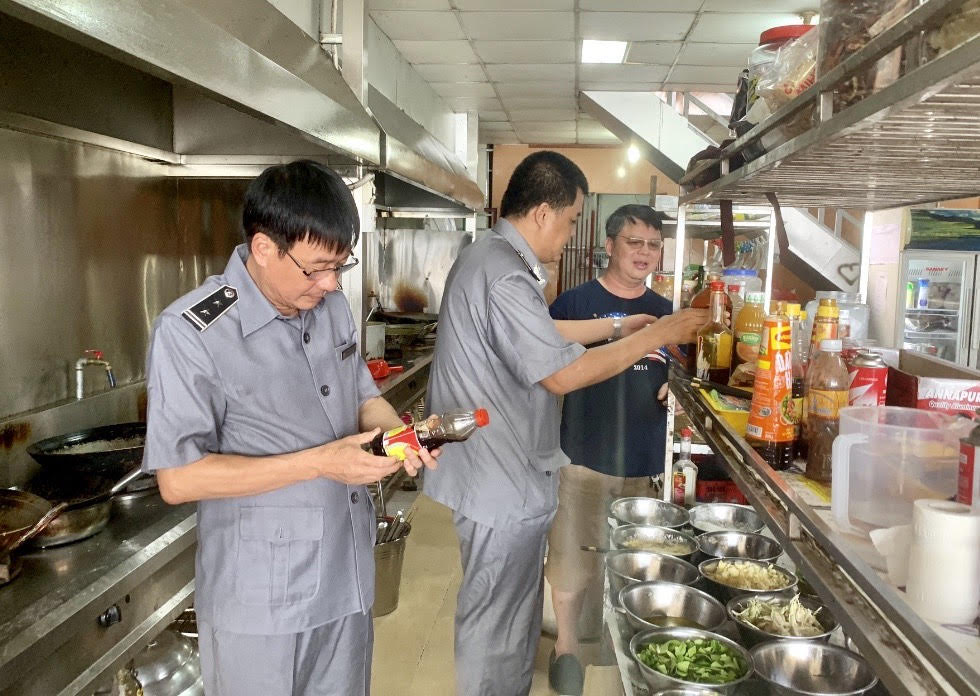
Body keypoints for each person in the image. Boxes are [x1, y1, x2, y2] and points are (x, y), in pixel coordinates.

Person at [141, 160, 437, 696]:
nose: (330, 284)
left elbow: (361, 395)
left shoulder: (329, 308)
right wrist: (321, 462)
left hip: (345, 576)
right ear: (263, 248)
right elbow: (179, 479)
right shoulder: (192, 332)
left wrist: (400, 435)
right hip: (261, 601)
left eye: (340, 267)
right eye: (316, 269)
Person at [423, 151, 707, 696]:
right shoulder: (505, 274)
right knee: (496, 623)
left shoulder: (490, 259)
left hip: (500, 473)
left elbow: (544, 335)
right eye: (574, 219)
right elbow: (561, 375)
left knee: (509, 616)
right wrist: (655, 334)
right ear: (544, 213)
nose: (571, 232)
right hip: (498, 477)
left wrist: (623, 326)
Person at [544, 204, 681, 695]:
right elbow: (544, 371)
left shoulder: (667, 313)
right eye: (633, 242)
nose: (644, 252)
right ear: (609, 246)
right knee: (571, 558)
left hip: (646, 460)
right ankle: (566, 648)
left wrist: (677, 387)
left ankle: (627, 647)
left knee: (637, 563)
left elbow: (687, 371)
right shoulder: (574, 305)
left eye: (653, 245)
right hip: (584, 454)